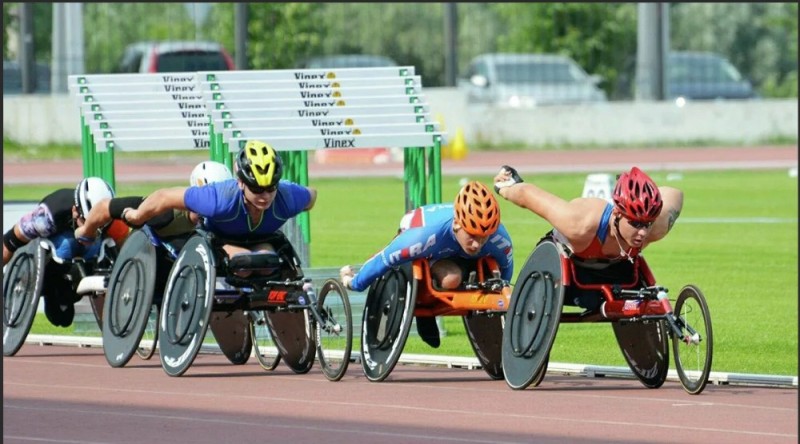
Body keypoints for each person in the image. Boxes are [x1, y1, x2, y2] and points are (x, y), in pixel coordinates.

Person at [339, 180, 514, 347]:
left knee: (464, 271)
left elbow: (504, 279)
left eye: (484, 237)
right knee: (451, 278)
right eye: (472, 236)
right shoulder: (421, 237)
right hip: (425, 238)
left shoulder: (499, 239)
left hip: (454, 251)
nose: (478, 243)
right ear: (457, 225)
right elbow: (382, 260)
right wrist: (354, 282)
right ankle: (423, 303)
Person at [493, 165, 683, 310]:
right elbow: (527, 195)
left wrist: (642, 196)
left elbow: (676, 195)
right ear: (617, 214)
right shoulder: (579, 222)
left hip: (615, 270)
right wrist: (506, 187)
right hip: (570, 265)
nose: (642, 232)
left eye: (647, 224)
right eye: (635, 223)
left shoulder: (657, 225)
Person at [121, 141, 317, 271]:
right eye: (257, 190)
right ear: (240, 182)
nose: (265, 196)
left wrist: (302, 205)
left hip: (262, 238)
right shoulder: (218, 199)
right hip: (222, 239)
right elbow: (163, 197)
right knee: (245, 263)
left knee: (267, 264)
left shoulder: (288, 196)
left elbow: (312, 195)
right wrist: (138, 216)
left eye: (270, 188)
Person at [2, 177, 127, 326]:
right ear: (75, 211)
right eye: (88, 222)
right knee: (61, 317)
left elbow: (124, 257)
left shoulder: (115, 222)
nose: (93, 228)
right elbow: (10, 241)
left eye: (99, 223)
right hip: (53, 259)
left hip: (90, 258)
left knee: (64, 318)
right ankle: (52, 287)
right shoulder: (46, 216)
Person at [75, 160, 233, 250]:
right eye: (209, 200)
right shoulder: (164, 212)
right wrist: (86, 230)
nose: (215, 207)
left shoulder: (234, 215)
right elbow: (104, 207)